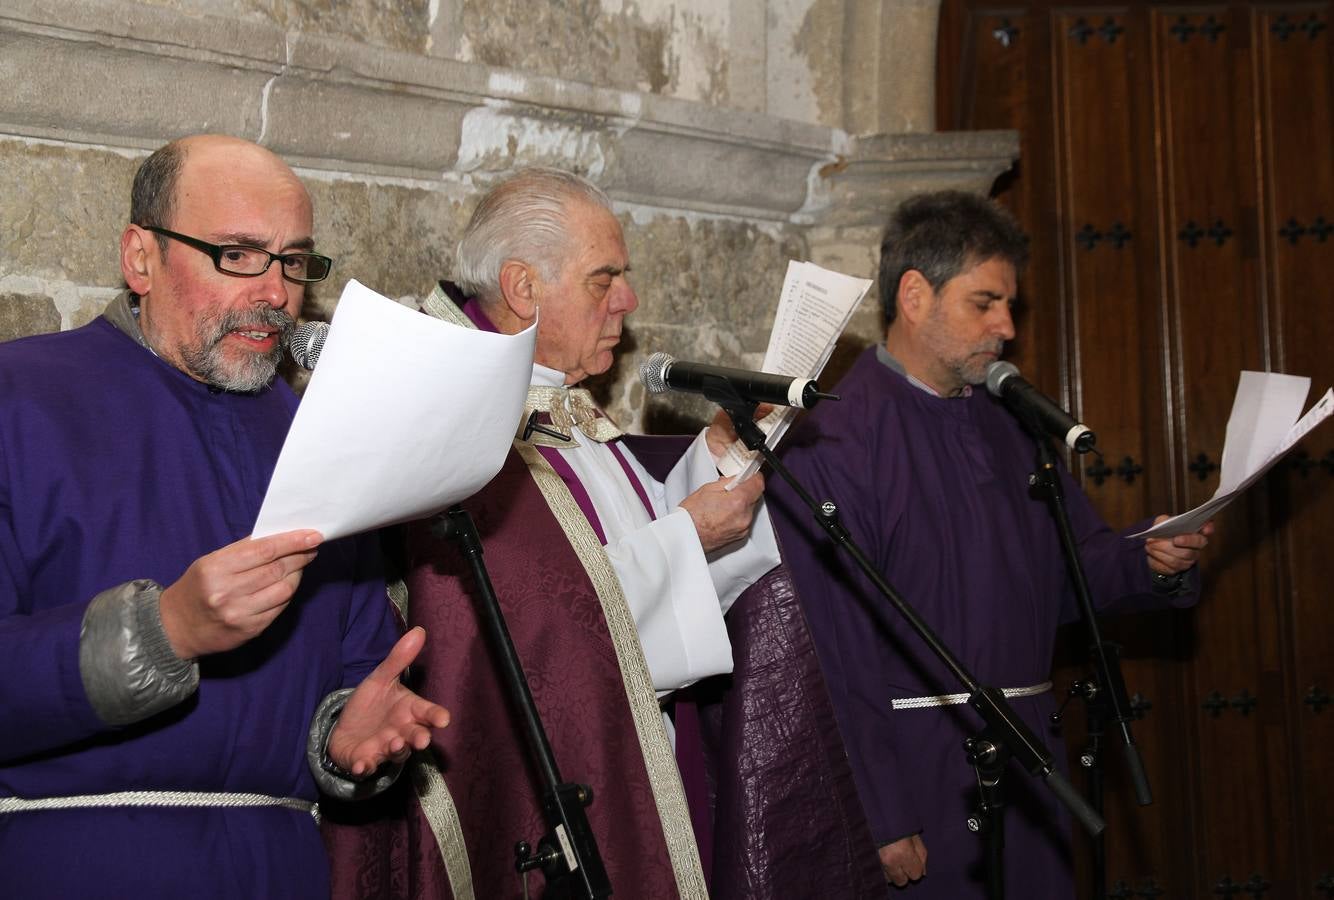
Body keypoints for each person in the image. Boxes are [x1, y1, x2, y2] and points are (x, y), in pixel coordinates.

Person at [325, 168, 885, 900]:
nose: (628, 300)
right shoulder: (458, 414)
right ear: (524, 287)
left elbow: (613, 547)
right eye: (604, 279)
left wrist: (717, 465)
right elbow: (531, 626)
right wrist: (687, 536)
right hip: (533, 798)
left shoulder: (559, 402)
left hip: (622, 754)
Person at [0, 134, 449, 899]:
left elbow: (350, 666)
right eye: (238, 255)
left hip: (282, 868)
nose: (275, 292)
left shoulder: (311, 435)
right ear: (141, 258)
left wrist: (350, 741)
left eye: (294, 262)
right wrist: (164, 633)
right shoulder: (22, 397)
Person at [767, 190, 1213, 897]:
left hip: (1031, 761)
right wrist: (882, 815)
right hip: (920, 775)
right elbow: (833, 648)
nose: (1006, 326)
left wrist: (1148, 557)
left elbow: (1069, 571)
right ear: (915, 295)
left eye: (1009, 305)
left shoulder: (1013, 428)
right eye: (985, 303)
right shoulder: (836, 439)